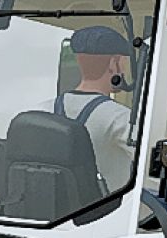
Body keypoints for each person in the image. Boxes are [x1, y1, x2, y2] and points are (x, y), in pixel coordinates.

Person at [38, 26, 135, 193]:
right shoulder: (120, 118)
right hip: (108, 213)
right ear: (113, 63)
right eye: (124, 62)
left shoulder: (40, 111)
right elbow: (152, 165)